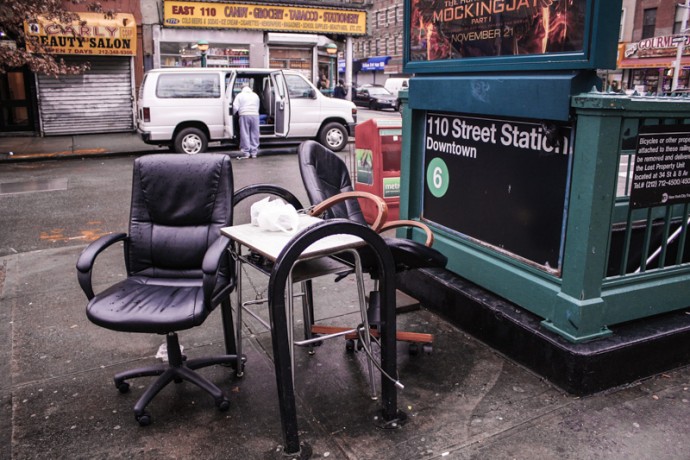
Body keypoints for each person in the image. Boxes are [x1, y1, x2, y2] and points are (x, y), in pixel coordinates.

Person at [232, 84, 261, 159]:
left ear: (242, 88)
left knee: (245, 133)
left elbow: (235, 107)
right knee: (255, 133)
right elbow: (258, 106)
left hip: (244, 115)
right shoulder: (255, 95)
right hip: (255, 115)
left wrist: (232, 114)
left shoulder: (240, 95)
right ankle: (254, 153)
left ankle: (246, 152)